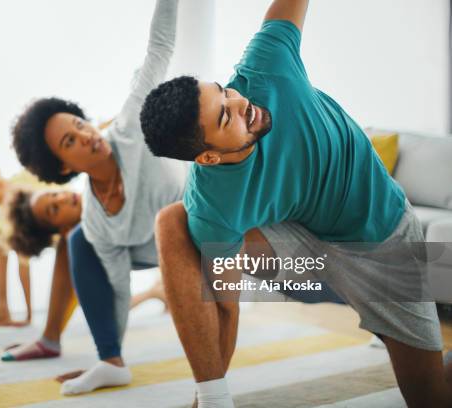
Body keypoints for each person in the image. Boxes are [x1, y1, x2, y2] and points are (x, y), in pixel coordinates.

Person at [140, 1, 452, 407]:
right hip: (302, 244)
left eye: (224, 92)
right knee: (172, 222)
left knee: (430, 398)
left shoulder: (268, 66)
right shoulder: (212, 204)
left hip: (382, 240)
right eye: (224, 118)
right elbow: (226, 309)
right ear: (209, 157)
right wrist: (212, 393)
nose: (239, 103)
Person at [12, 0, 184, 395]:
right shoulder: (94, 218)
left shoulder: (128, 128)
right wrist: (112, 355)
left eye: (79, 124)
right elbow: (119, 286)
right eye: (70, 141)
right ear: (62, 167)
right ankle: (111, 362)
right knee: (80, 241)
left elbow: (159, 50)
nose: (87, 135)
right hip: (166, 249)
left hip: (214, 225)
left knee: (313, 280)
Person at [0, 166, 78, 360]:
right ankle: (3, 306)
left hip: (73, 216)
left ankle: (42, 333)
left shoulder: (28, 176)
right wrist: (29, 315)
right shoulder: (4, 221)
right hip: (64, 242)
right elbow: (24, 263)